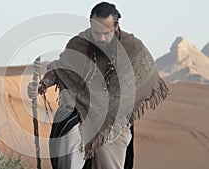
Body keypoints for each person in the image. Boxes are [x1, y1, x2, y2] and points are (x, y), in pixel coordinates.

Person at [28, 2, 169, 169]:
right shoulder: (79, 44)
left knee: (111, 149)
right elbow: (60, 69)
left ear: (116, 26)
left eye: (106, 33)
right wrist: (43, 84)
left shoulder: (132, 47)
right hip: (82, 110)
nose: (101, 38)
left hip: (114, 116)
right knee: (69, 135)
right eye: (96, 33)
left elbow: (147, 75)